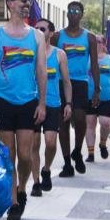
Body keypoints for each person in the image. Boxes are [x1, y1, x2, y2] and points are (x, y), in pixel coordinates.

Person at [0, 0, 46, 220]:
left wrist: (42, 103)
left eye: (29, 1)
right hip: (1, 100)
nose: (27, 4)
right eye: (23, 0)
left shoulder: (37, 36)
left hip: (27, 101)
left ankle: (22, 187)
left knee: (25, 155)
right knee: (8, 155)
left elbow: (41, 71)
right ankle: (13, 201)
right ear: (10, 3)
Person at [57, 0, 99, 176]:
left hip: (81, 82)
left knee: (80, 119)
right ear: (67, 14)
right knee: (63, 123)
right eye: (71, 11)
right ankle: (67, 163)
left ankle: (77, 150)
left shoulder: (89, 37)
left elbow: (95, 64)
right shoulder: (58, 36)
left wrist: (97, 89)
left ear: (82, 15)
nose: (73, 14)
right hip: (61, 82)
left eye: (77, 11)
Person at [30, 18, 71, 197]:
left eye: (43, 29)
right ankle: (36, 182)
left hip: (53, 104)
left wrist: (68, 103)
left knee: (50, 143)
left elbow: (67, 82)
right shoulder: (30, 52)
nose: (39, 31)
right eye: (36, 28)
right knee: (34, 144)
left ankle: (46, 169)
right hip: (32, 103)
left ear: (51, 33)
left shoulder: (59, 54)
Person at [85, 34, 110, 162]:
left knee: (105, 122)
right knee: (90, 123)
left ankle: (102, 143)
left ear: (103, 44)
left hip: (107, 97)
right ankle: (90, 153)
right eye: (93, 41)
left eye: (98, 41)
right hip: (90, 97)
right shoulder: (87, 58)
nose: (95, 43)